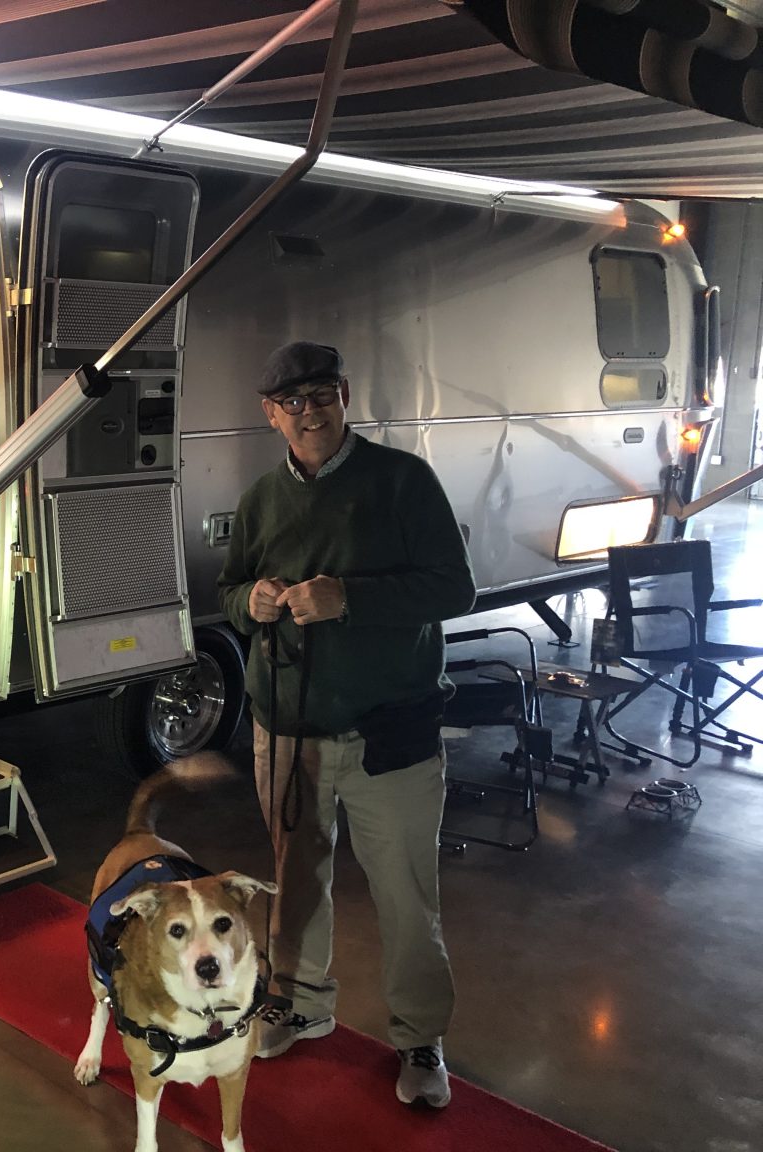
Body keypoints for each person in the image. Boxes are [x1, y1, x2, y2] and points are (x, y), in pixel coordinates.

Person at [216, 340, 476, 1109]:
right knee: (296, 879)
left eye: (322, 395)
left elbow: (455, 589)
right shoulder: (261, 498)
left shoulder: (403, 481)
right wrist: (249, 603)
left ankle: (420, 1037)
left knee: (406, 892)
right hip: (286, 727)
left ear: (345, 396)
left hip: (388, 732)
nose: (310, 413)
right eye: (291, 402)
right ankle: (299, 1004)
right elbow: (229, 589)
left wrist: (349, 599)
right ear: (271, 415)